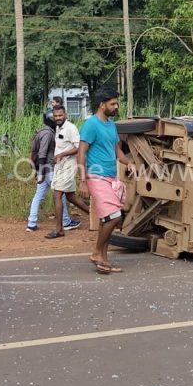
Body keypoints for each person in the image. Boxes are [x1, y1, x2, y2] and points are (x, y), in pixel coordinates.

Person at [79, 87, 135, 275]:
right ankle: (96, 252)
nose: (116, 106)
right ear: (102, 105)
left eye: (116, 103)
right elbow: (81, 153)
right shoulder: (91, 125)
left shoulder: (111, 125)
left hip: (111, 178)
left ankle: (103, 259)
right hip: (96, 177)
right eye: (112, 103)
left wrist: (128, 162)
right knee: (114, 216)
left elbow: (117, 150)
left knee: (106, 219)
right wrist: (82, 181)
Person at [45, 105, 89, 238]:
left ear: (65, 115)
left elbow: (79, 147)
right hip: (60, 165)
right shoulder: (58, 127)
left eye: (60, 115)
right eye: (56, 116)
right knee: (70, 196)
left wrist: (61, 155)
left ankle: (59, 229)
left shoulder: (71, 128)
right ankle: (96, 215)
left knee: (57, 195)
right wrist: (58, 157)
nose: (58, 118)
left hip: (69, 165)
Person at [26, 112, 74, 232]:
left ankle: (31, 223)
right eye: (55, 118)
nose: (57, 120)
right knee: (60, 194)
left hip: (44, 170)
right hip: (49, 170)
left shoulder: (43, 132)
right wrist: (41, 173)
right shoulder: (47, 133)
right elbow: (42, 154)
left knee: (38, 196)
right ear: (50, 121)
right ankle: (66, 221)